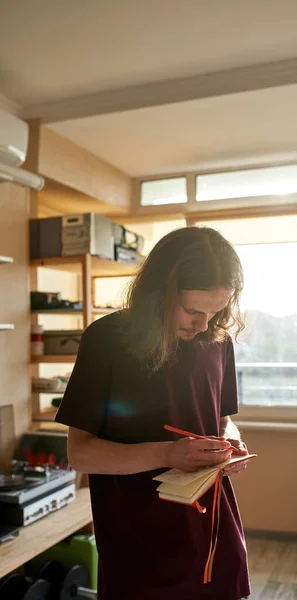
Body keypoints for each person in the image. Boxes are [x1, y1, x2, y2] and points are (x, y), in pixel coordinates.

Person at [55, 225, 251, 600]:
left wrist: (231, 445)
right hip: (139, 544)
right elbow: (80, 453)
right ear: (158, 293)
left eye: (216, 311)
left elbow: (224, 423)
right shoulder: (107, 340)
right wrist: (167, 453)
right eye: (193, 310)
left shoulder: (217, 341)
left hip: (214, 533)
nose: (204, 324)